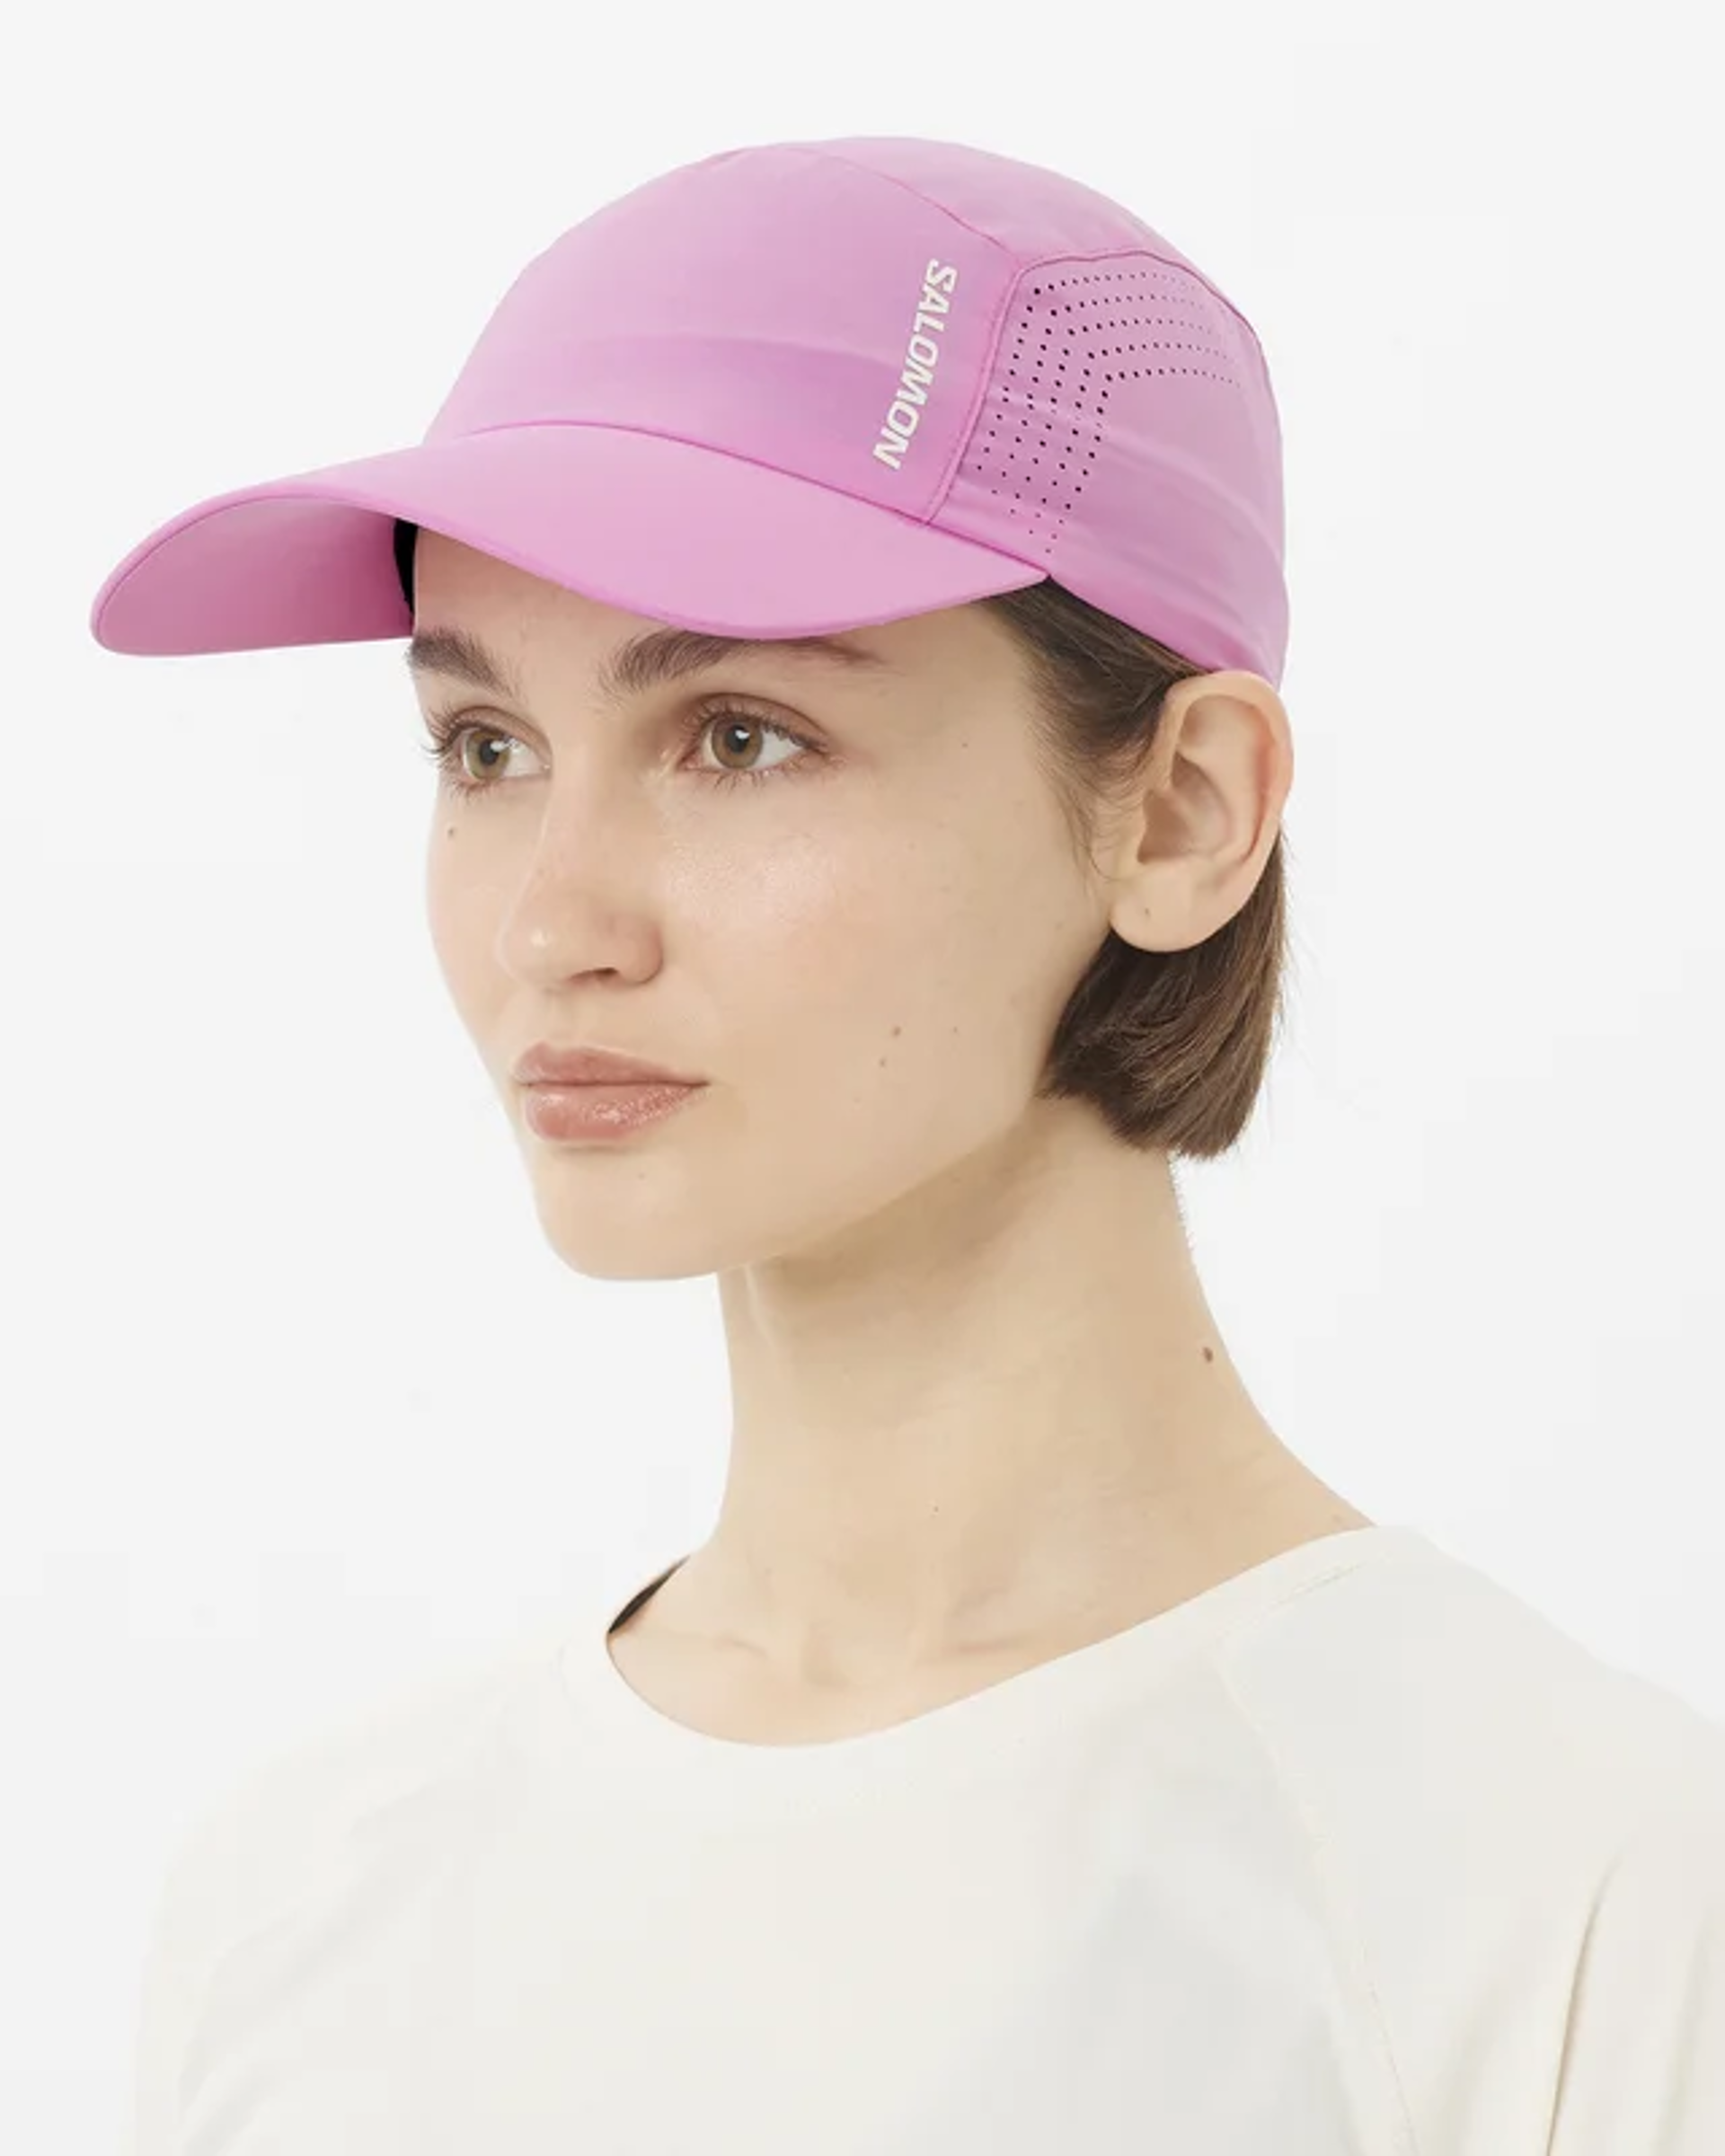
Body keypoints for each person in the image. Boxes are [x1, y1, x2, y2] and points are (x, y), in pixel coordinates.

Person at [92, 133, 1723, 2155]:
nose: (551, 924)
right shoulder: (297, 1912)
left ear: (1183, 810)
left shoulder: (1563, 1903)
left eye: (739, 736)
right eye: (485, 747)